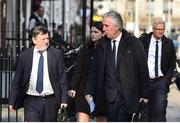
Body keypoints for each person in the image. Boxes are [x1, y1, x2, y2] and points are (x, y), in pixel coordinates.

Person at [85, 11, 150, 122]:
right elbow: (94, 71)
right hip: (107, 98)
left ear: (116, 27)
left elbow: (143, 70)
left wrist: (145, 94)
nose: (103, 29)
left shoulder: (134, 44)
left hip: (128, 97)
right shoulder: (101, 44)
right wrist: (89, 92)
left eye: (106, 25)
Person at [9, 26, 68, 122]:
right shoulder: (24, 56)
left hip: (51, 102)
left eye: (47, 38)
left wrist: (64, 100)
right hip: (31, 101)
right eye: (43, 39)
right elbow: (17, 81)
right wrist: (12, 101)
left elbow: (62, 79)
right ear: (34, 40)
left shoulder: (56, 54)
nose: (46, 41)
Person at [68, 21, 107, 122]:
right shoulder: (85, 49)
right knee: (82, 118)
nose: (92, 34)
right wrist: (73, 87)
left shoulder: (107, 49)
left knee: (101, 119)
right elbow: (78, 69)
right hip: (83, 89)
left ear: (103, 33)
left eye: (96, 32)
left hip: (101, 91)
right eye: (91, 32)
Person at [139, 18, 176, 121]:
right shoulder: (143, 41)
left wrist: (166, 79)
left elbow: (172, 62)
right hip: (145, 81)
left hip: (160, 81)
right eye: (158, 29)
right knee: (144, 111)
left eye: (162, 29)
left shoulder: (168, 43)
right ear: (153, 29)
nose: (160, 31)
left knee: (159, 110)